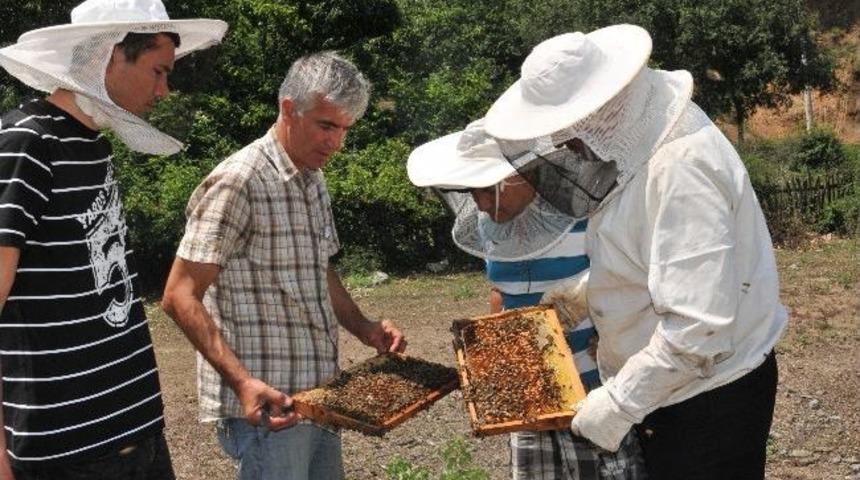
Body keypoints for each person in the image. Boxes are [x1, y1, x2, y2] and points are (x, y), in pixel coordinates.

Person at [481, 25, 788, 479]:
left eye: (567, 132)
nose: (565, 147)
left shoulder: (681, 167)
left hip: (707, 398)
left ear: (598, 112)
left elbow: (697, 329)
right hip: (672, 394)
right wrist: (586, 293)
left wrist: (618, 403)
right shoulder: (633, 150)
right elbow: (650, 251)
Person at [0, 0, 227, 478]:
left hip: (137, 433)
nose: (165, 90)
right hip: (67, 454)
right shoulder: (24, 142)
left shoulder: (91, 144)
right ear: (109, 53)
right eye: (158, 71)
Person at [160, 51, 406, 480]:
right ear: (289, 109)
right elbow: (179, 295)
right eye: (327, 125)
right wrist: (242, 383)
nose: (336, 142)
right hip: (268, 405)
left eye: (345, 129)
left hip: (321, 396)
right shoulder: (240, 181)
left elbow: (319, 269)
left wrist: (364, 327)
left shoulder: (314, 177)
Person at [407, 118, 646, 479]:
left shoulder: (583, 215)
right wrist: (491, 356)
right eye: (472, 193)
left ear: (521, 173)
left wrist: (618, 331)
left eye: (488, 190)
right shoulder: (491, 230)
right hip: (530, 404)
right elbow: (500, 292)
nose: (482, 204)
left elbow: (632, 280)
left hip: (596, 399)